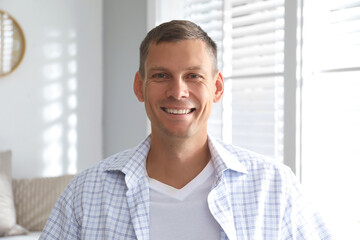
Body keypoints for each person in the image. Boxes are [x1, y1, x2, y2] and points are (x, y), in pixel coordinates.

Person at [40, 20, 332, 240]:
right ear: (139, 87)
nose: (178, 92)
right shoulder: (85, 192)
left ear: (216, 87)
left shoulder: (274, 186)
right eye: (161, 76)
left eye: (193, 76)